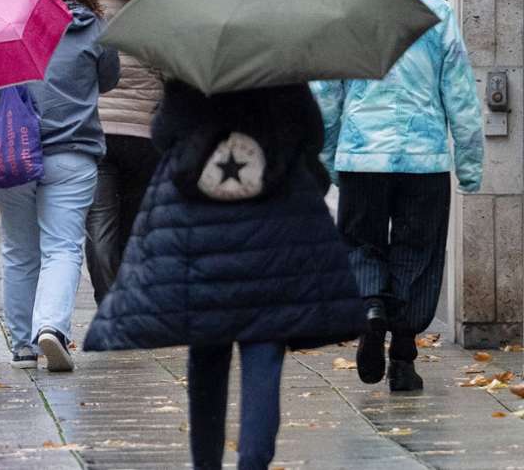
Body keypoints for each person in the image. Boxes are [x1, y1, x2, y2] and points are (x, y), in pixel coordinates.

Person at [84, 80, 363, 470]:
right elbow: (312, 135)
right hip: (273, 236)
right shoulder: (283, 75)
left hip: (201, 239)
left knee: (206, 358)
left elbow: (164, 134)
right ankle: (254, 462)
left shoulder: (193, 76)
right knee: (265, 351)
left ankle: (206, 463)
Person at [312, 0, 484, 392]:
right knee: (419, 252)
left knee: (360, 243)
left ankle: (370, 307)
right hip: (423, 161)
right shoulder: (437, 16)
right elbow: (461, 97)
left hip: (363, 157)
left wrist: (328, 157)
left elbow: (326, 94)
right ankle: (404, 358)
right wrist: (469, 164)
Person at [0, 0, 118, 372]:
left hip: (14, 151)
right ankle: (51, 328)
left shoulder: (11, 23)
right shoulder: (95, 29)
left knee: (19, 249)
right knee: (63, 247)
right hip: (73, 152)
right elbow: (108, 82)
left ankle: (22, 344)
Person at [83, 0, 163, 304]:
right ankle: (132, 299)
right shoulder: (155, 15)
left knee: (100, 224)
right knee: (135, 222)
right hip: (143, 136)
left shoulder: (90, 15)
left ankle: (108, 301)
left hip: (98, 133)